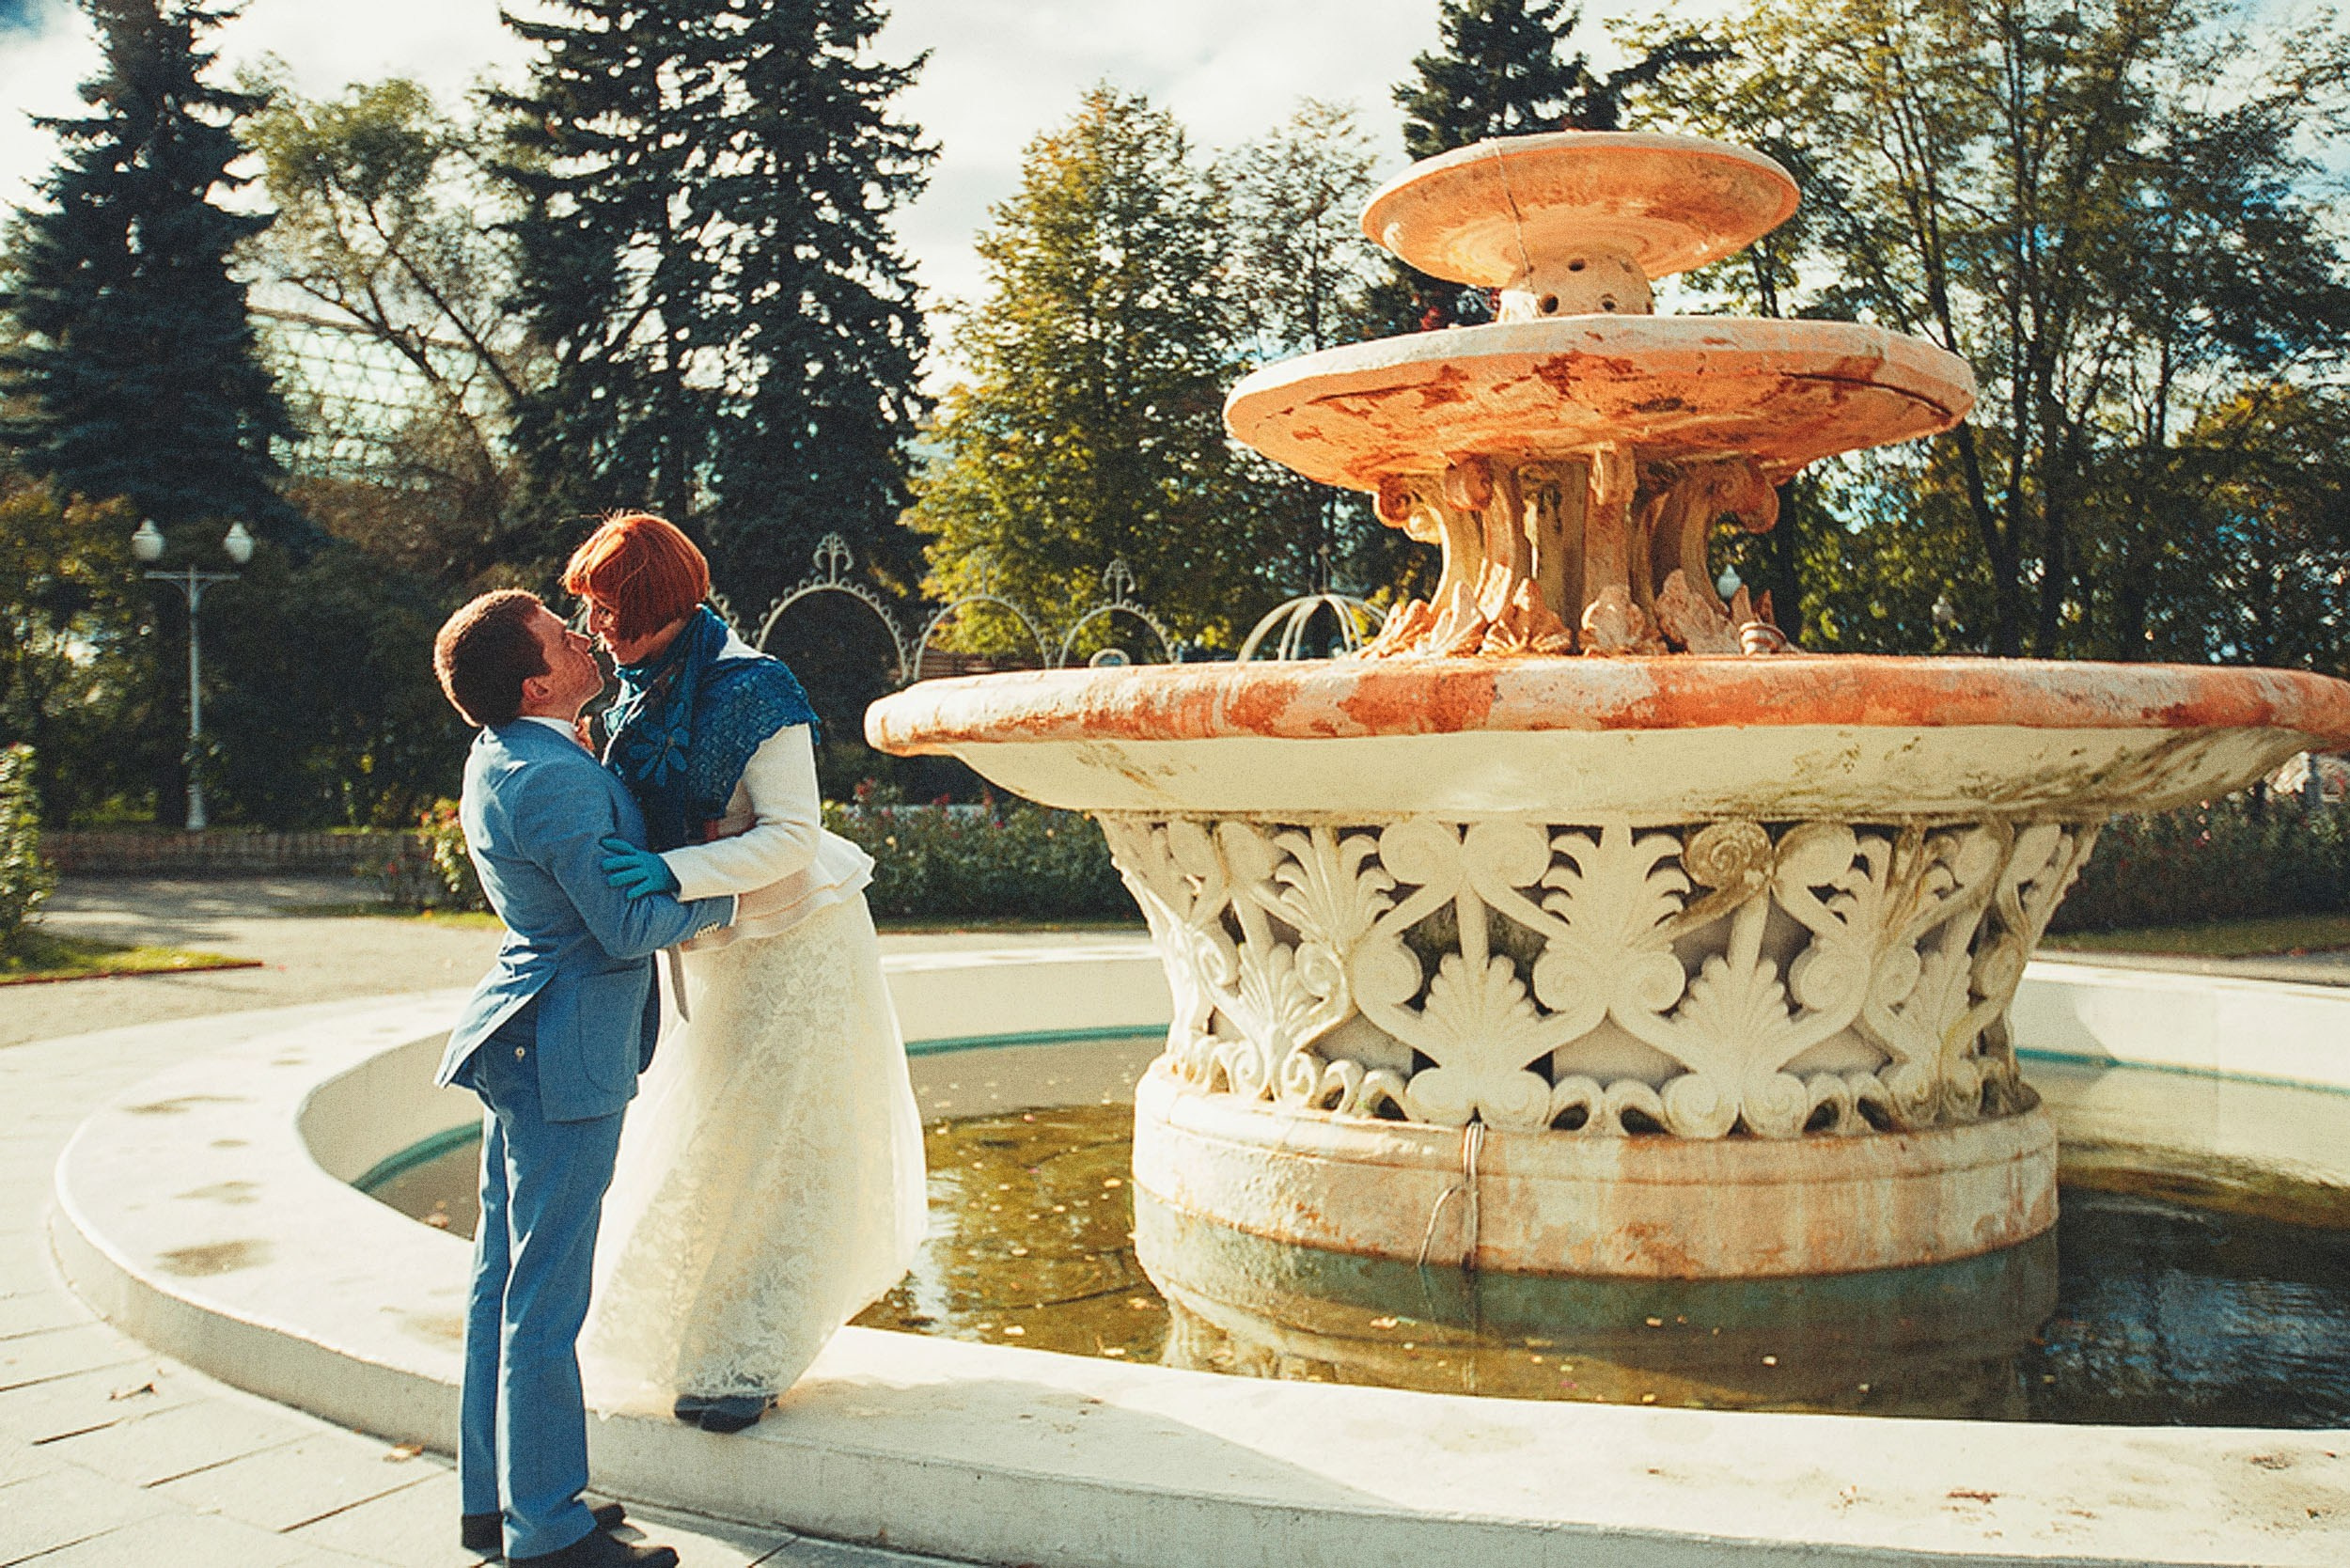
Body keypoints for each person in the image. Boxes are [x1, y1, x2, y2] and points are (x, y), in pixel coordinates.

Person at [565, 514, 926, 1435]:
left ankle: (749, 1358)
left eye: (610, 608)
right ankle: (696, 1335)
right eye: (592, 609)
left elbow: (793, 835)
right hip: (717, 945)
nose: (597, 625)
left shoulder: (754, 688)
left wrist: (675, 867)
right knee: (714, 1140)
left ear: (657, 604)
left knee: (782, 1150)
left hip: (797, 944)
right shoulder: (633, 695)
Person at [431, 589, 736, 1568]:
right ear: (534, 683)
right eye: (564, 641)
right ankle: (550, 1530)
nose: (584, 636)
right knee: (544, 1298)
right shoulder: (554, 777)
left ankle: (499, 1503)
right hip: (561, 1047)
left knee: (502, 1284)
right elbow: (627, 926)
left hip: (526, 1036)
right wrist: (723, 891)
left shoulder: (510, 753)